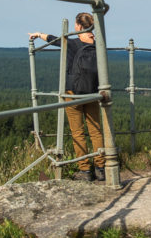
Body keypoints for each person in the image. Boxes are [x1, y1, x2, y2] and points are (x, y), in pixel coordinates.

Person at [29, 12, 105, 181]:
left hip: (72, 91)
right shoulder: (98, 43)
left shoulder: (71, 42)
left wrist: (39, 34)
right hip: (93, 91)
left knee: (77, 132)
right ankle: (101, 168)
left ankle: (85, 170)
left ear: (78, 25)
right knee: (95, 130)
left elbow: (54, 40)